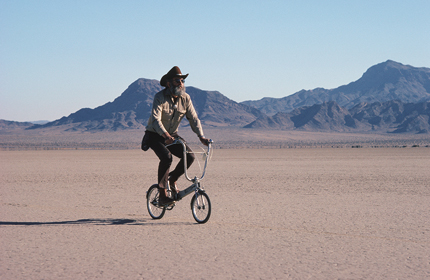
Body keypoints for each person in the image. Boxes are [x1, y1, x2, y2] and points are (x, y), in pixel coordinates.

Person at [143, 66, 210, 205]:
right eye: (177, 80)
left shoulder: (185, 98)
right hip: (155, 135)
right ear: (169, 83)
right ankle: (162, 195)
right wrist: (165, 135)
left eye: (182, 80)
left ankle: (172, 179)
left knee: (189, 156)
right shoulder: (159, 97)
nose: (181, 83)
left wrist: (201, 136)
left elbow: (193, 118)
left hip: (172, 135)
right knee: (166, 157)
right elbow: (156, 120)